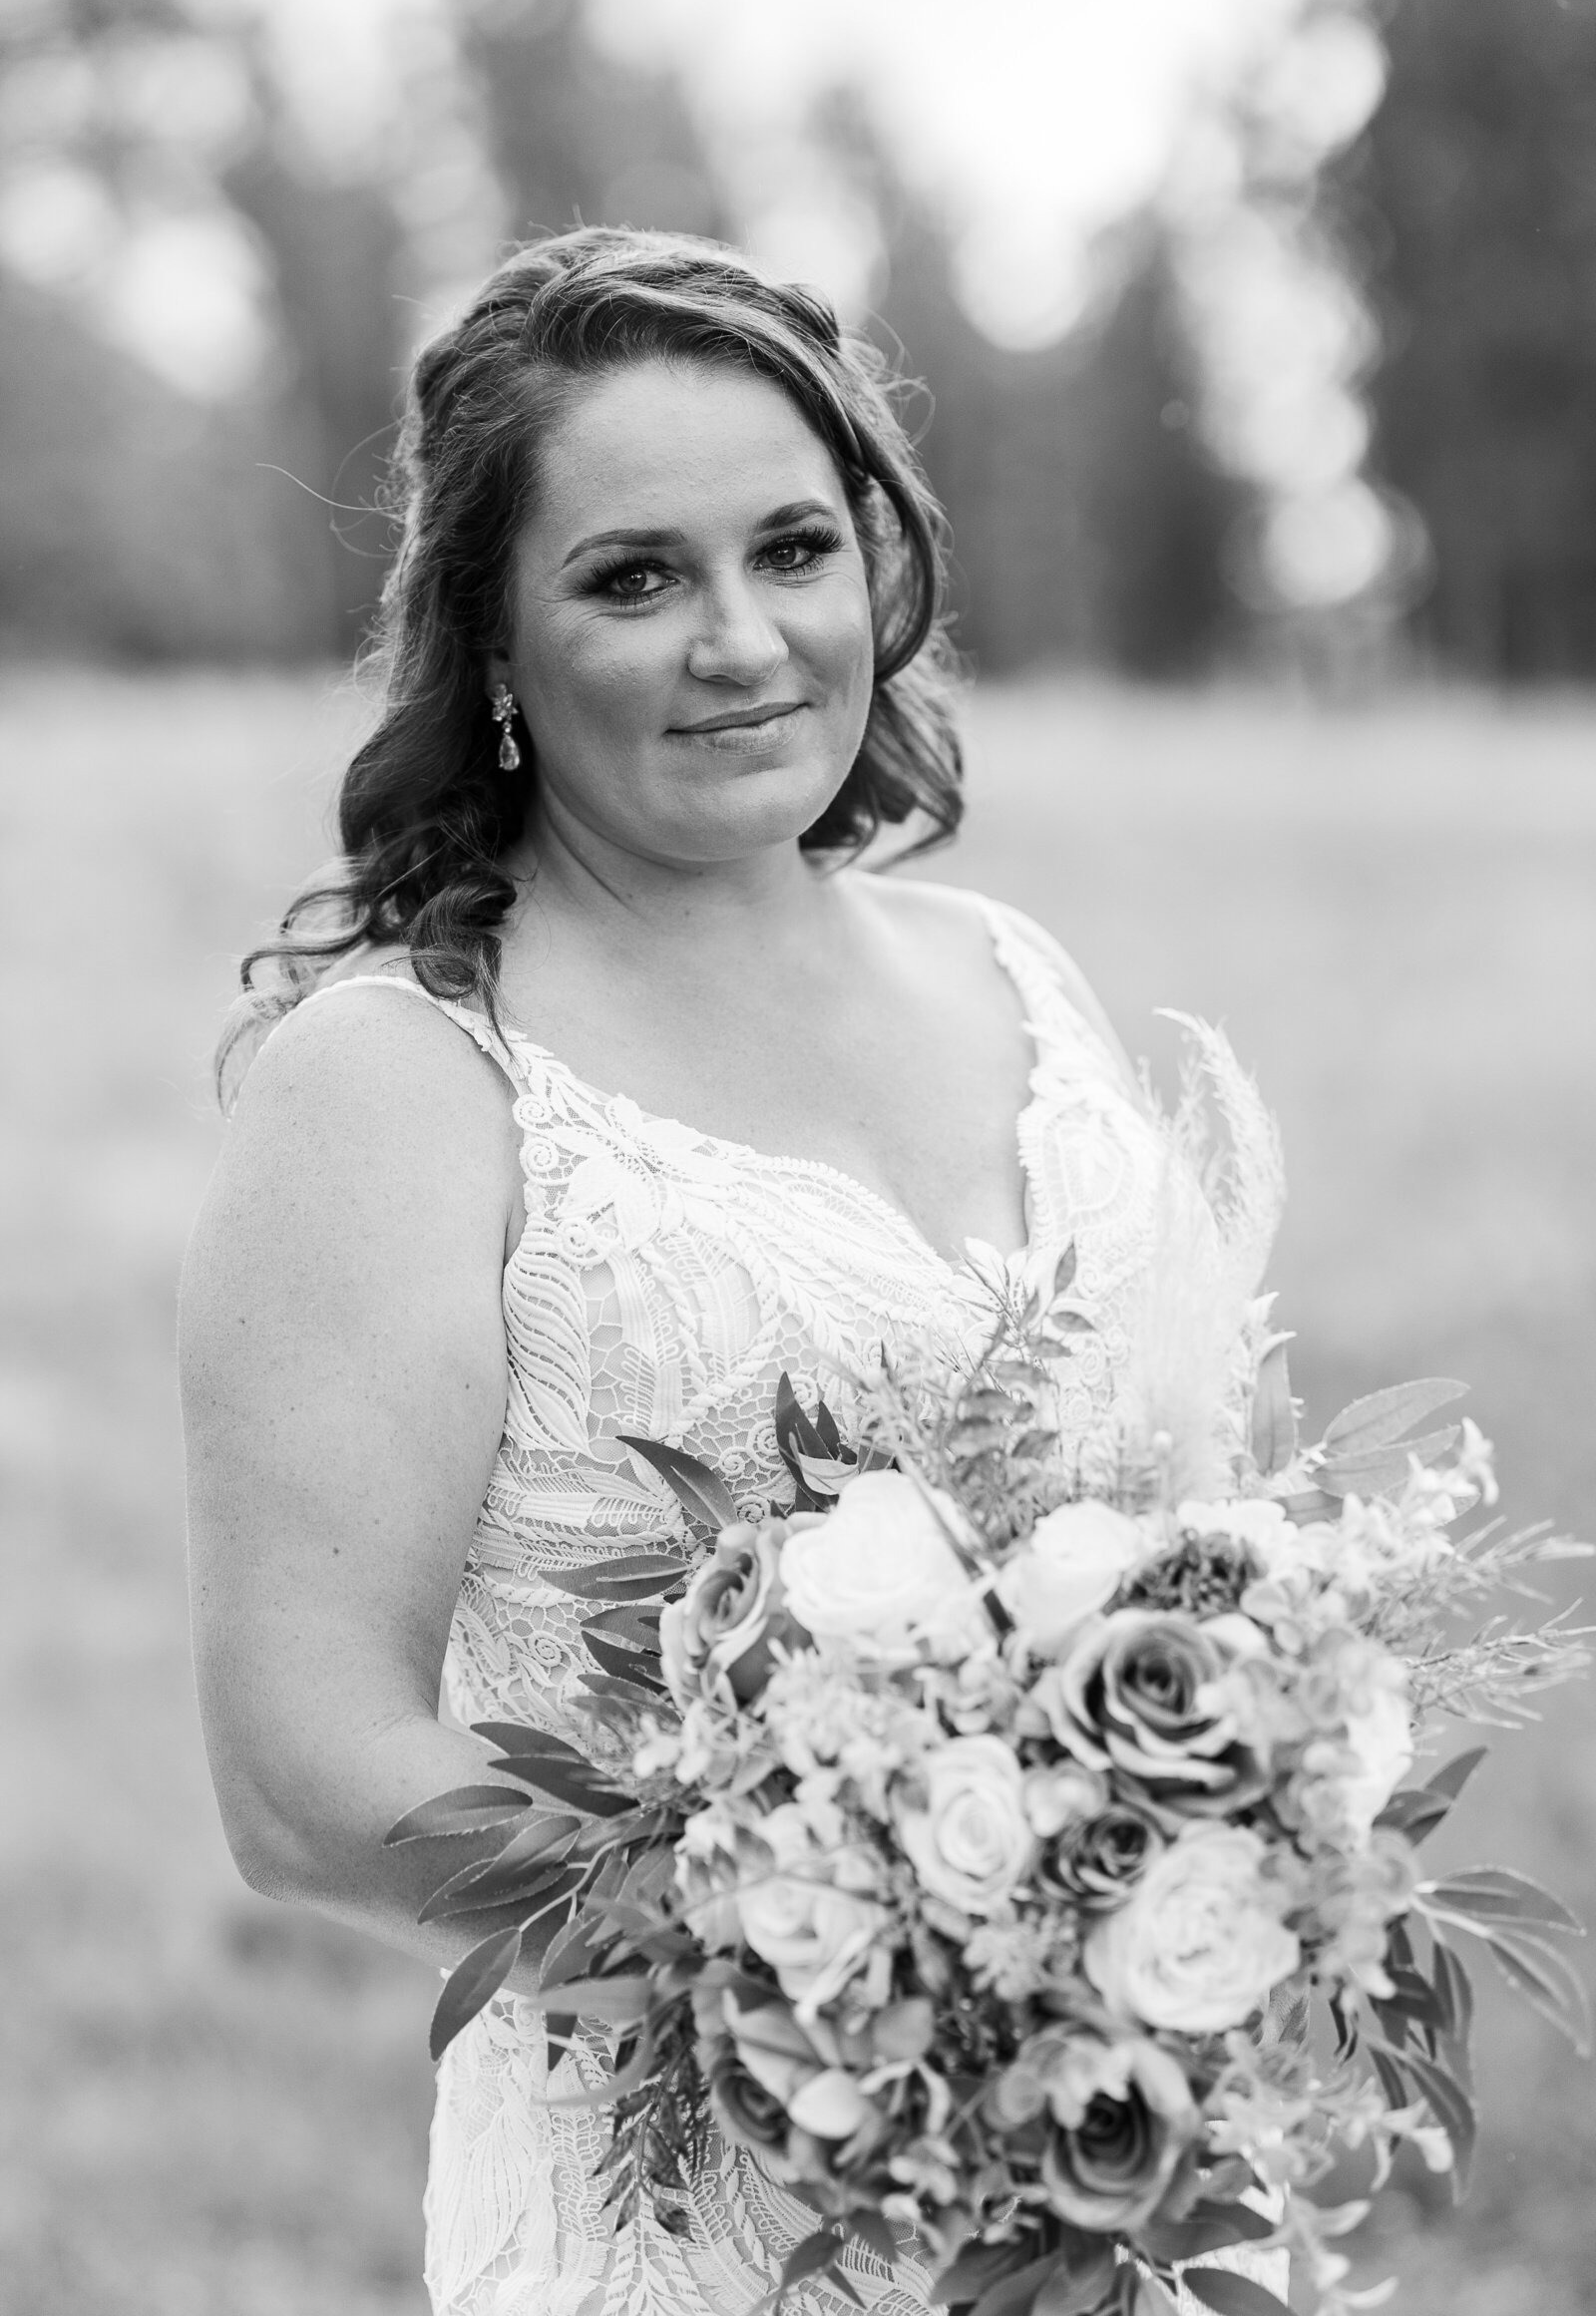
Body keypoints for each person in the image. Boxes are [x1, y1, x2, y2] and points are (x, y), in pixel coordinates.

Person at [181, 226, 1266, 2316]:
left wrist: (1220, 1821)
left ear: (878, 560)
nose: (743, 641)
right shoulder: (400, 1085)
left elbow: (1190, 1511)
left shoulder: (1006, 973)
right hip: (697, 2213)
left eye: (790, 547)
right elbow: (299, 1773)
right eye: (630, 577)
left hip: (1131, 2156)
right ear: (489, 642)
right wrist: (890, 1954)